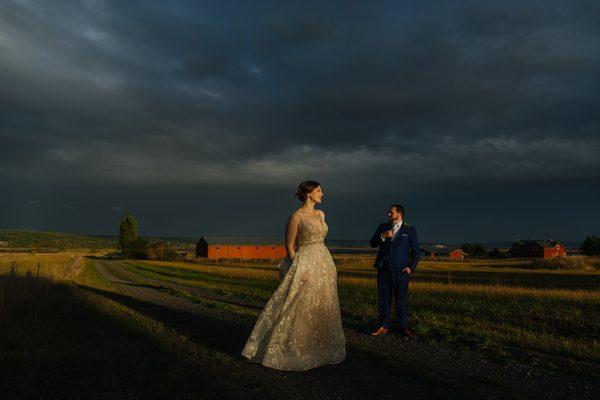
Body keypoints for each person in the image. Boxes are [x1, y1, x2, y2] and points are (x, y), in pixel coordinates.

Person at [241, 180, 346, 371]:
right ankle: (293, 348)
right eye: (319, 191)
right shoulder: (296, 217)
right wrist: (300, 268)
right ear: (308, 194)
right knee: (299, 303)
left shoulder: (320, 214)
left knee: (323, 303)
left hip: (324, 262)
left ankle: (321, 347)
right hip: (305, 262)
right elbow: (290, 246)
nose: (322, 194)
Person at [370, 204, 420, 337]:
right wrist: (383, 235)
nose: (388, 215)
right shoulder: (383, 227)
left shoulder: (410, 230)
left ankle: (403, 326)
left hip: (401, 271)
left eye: (391, 213)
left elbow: (416, 251)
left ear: (399, 214)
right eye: (389, 213)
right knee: (384, 299)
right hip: (384, 269)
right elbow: (372, 243)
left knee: (401, 299)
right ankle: (383, 326)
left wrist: (411, 267)